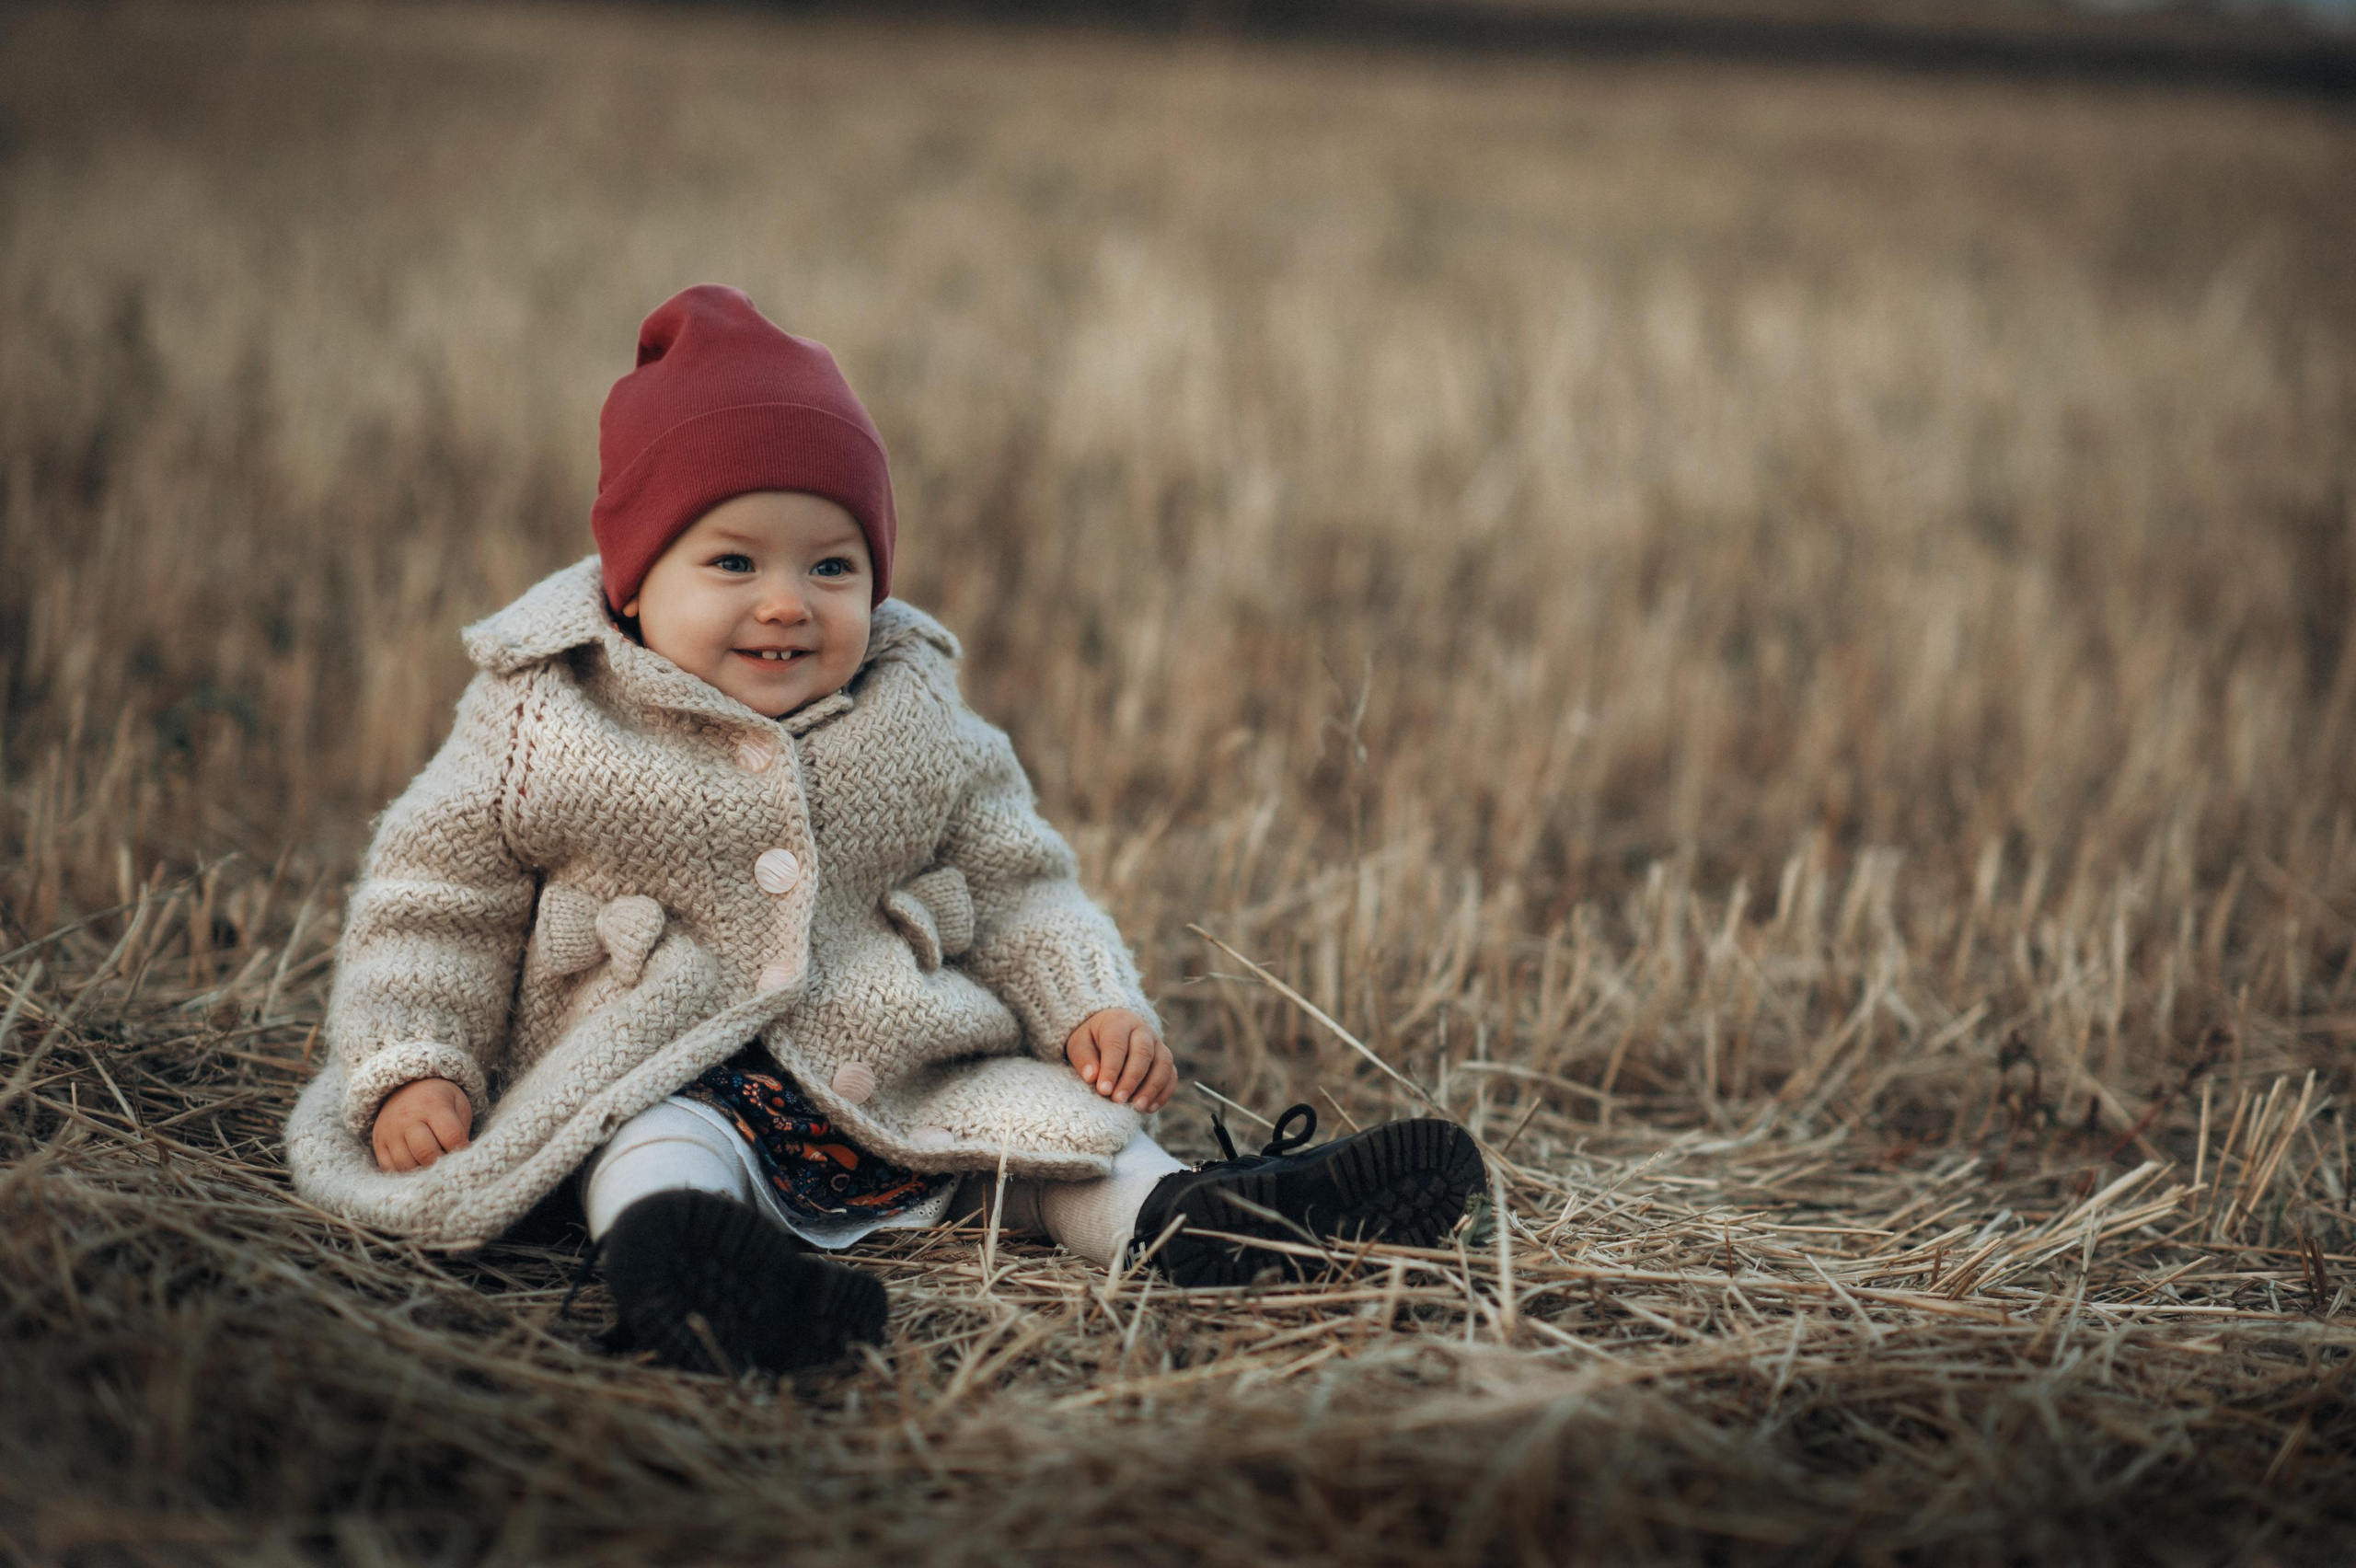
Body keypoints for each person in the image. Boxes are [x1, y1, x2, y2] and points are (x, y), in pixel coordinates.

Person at [284, 285, 1483, 1375]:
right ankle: (696, 1277)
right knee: (651, 1150)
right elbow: (434, 907)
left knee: (1072, 1136)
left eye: (833, 565)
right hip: (646, 1067)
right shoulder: (547, 717)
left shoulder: (916, 715)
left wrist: (1089, 1008)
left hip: (898, 1077)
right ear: (635, 578)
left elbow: (1019, 884)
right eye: (734, 559)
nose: (784, 603)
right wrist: (414, 1069)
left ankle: (1201, 1228)